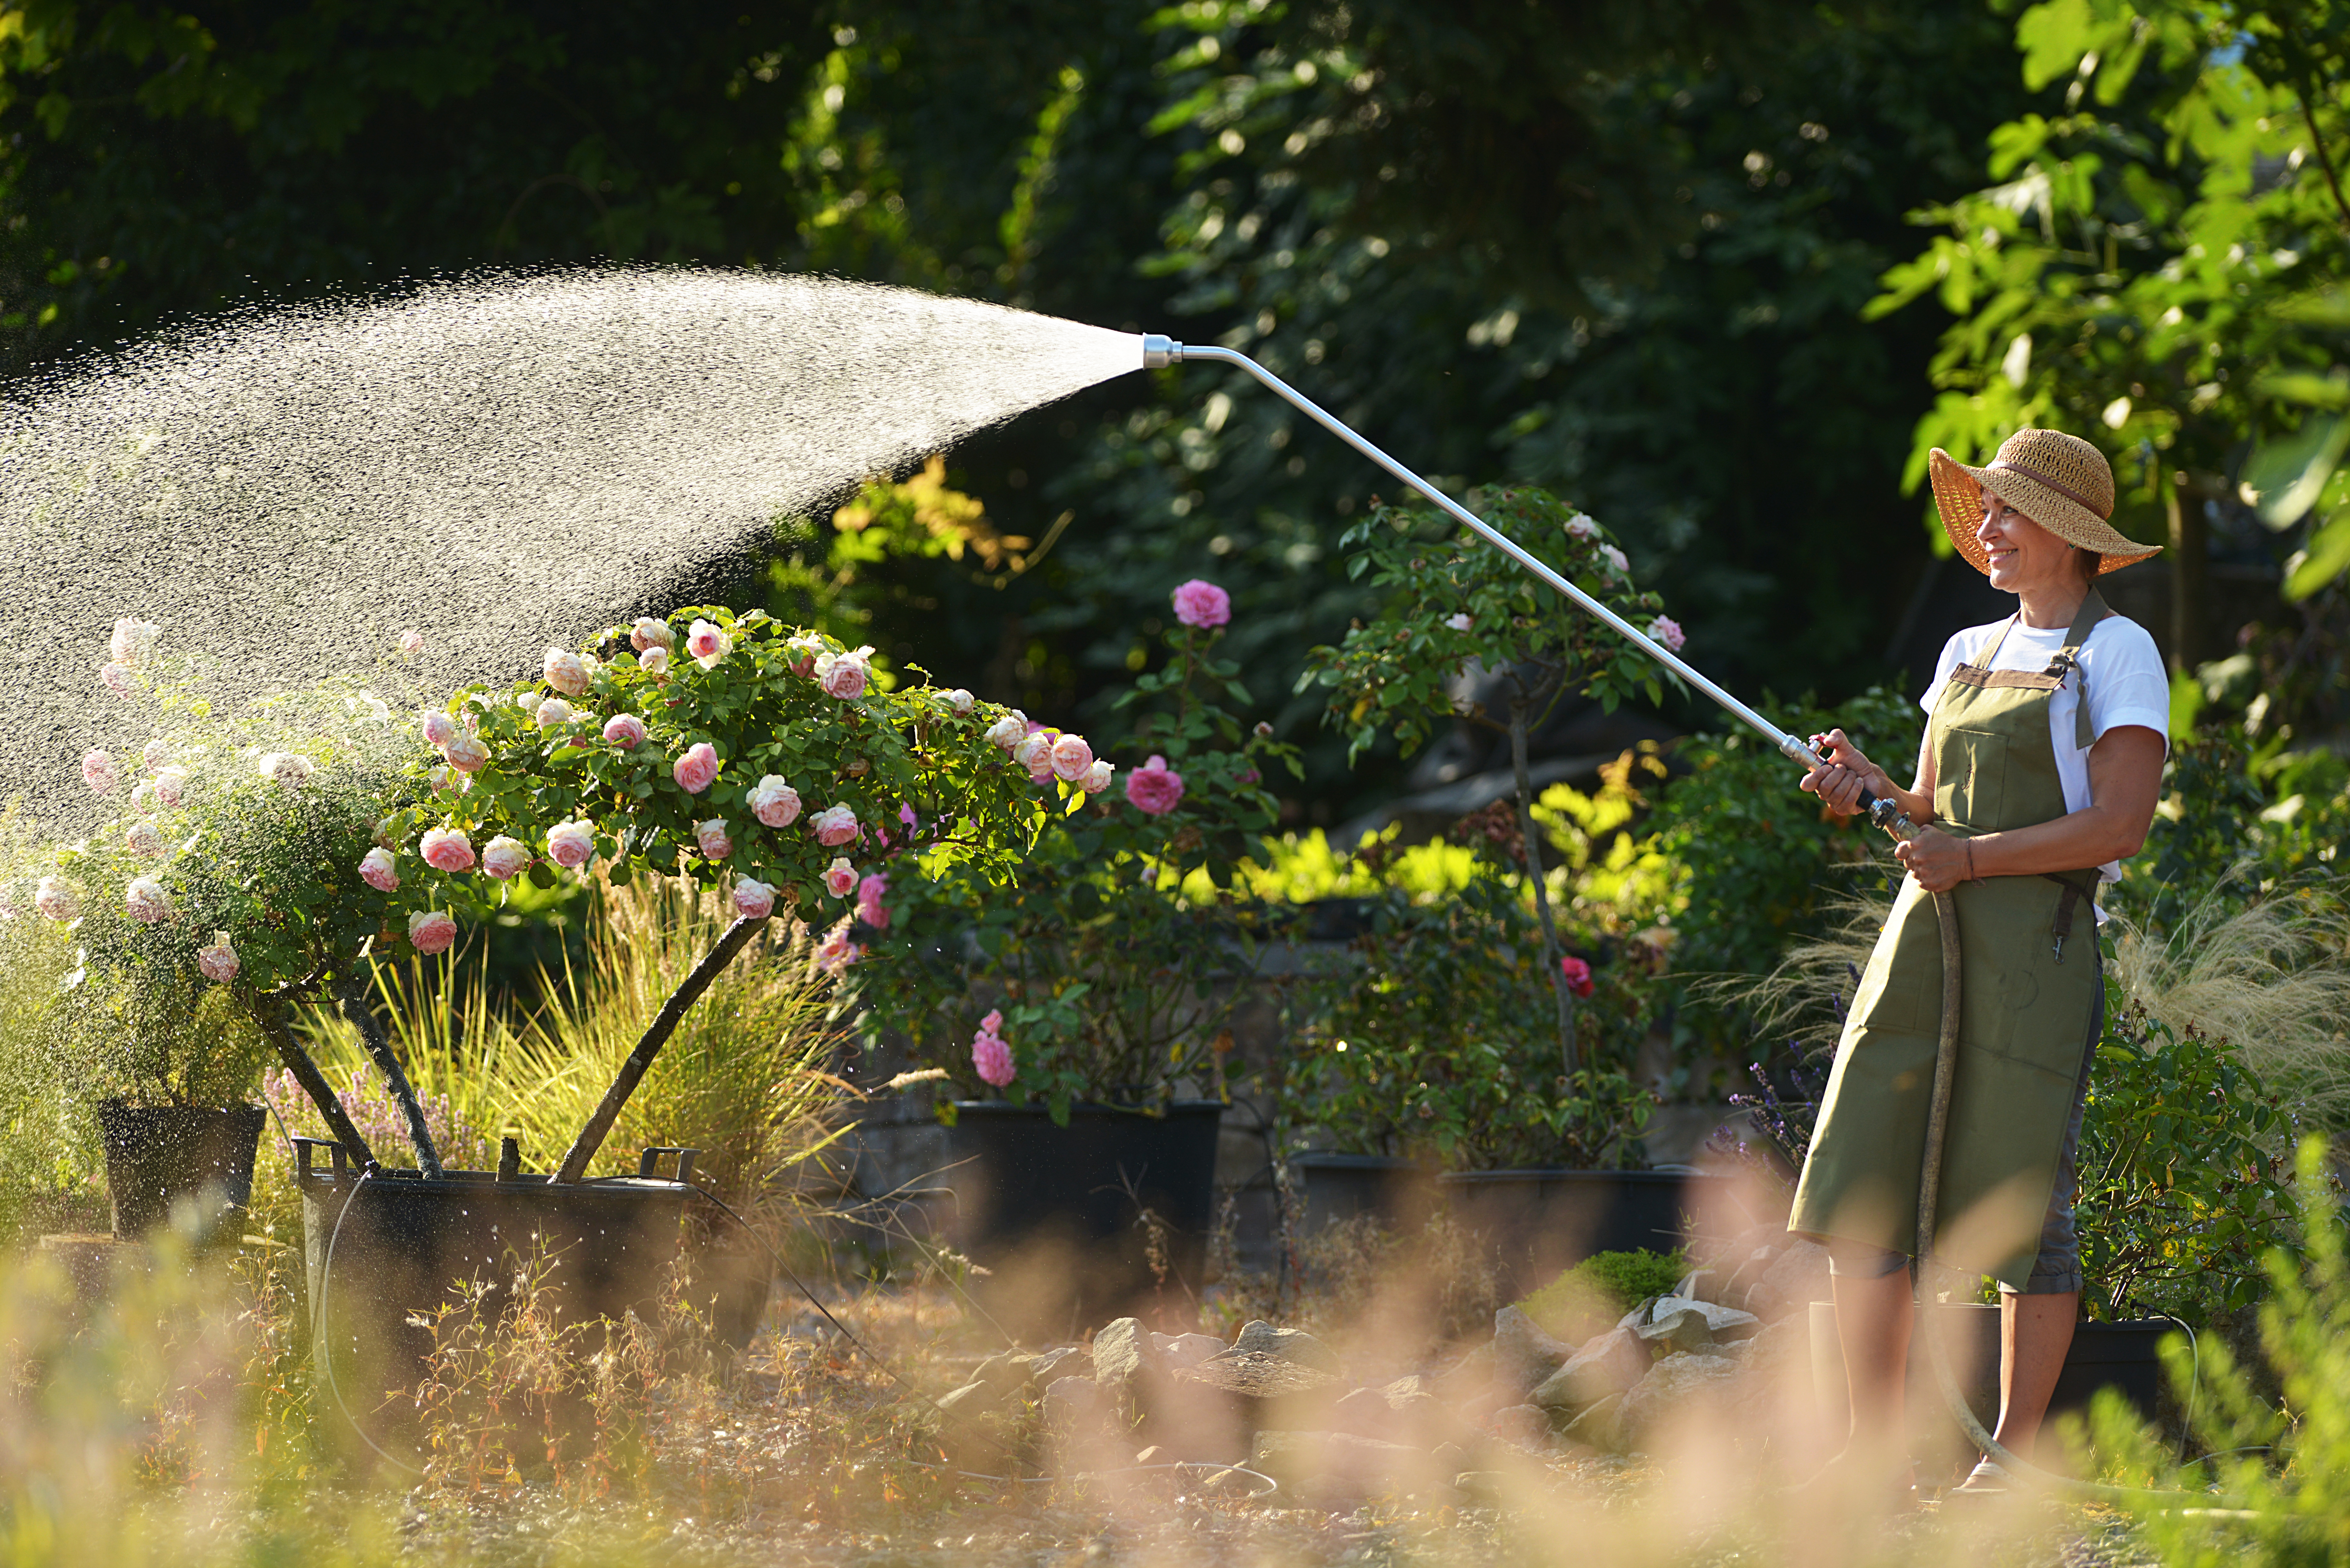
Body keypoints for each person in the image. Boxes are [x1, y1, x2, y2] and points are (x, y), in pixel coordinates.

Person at [1790, 428, 2171, 1500]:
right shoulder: (1965, 651)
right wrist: (1866, 784)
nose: (1987, 532)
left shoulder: (2118, 654)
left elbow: (2121, 826)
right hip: (1923, 939)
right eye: (1987, 511)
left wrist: (1970, 856)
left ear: (2068, 535)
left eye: (2007, 513)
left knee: (2020, 1199)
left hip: (2033, 954)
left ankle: (2010, 1461)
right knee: (1864, 1169)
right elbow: (1925, 808)